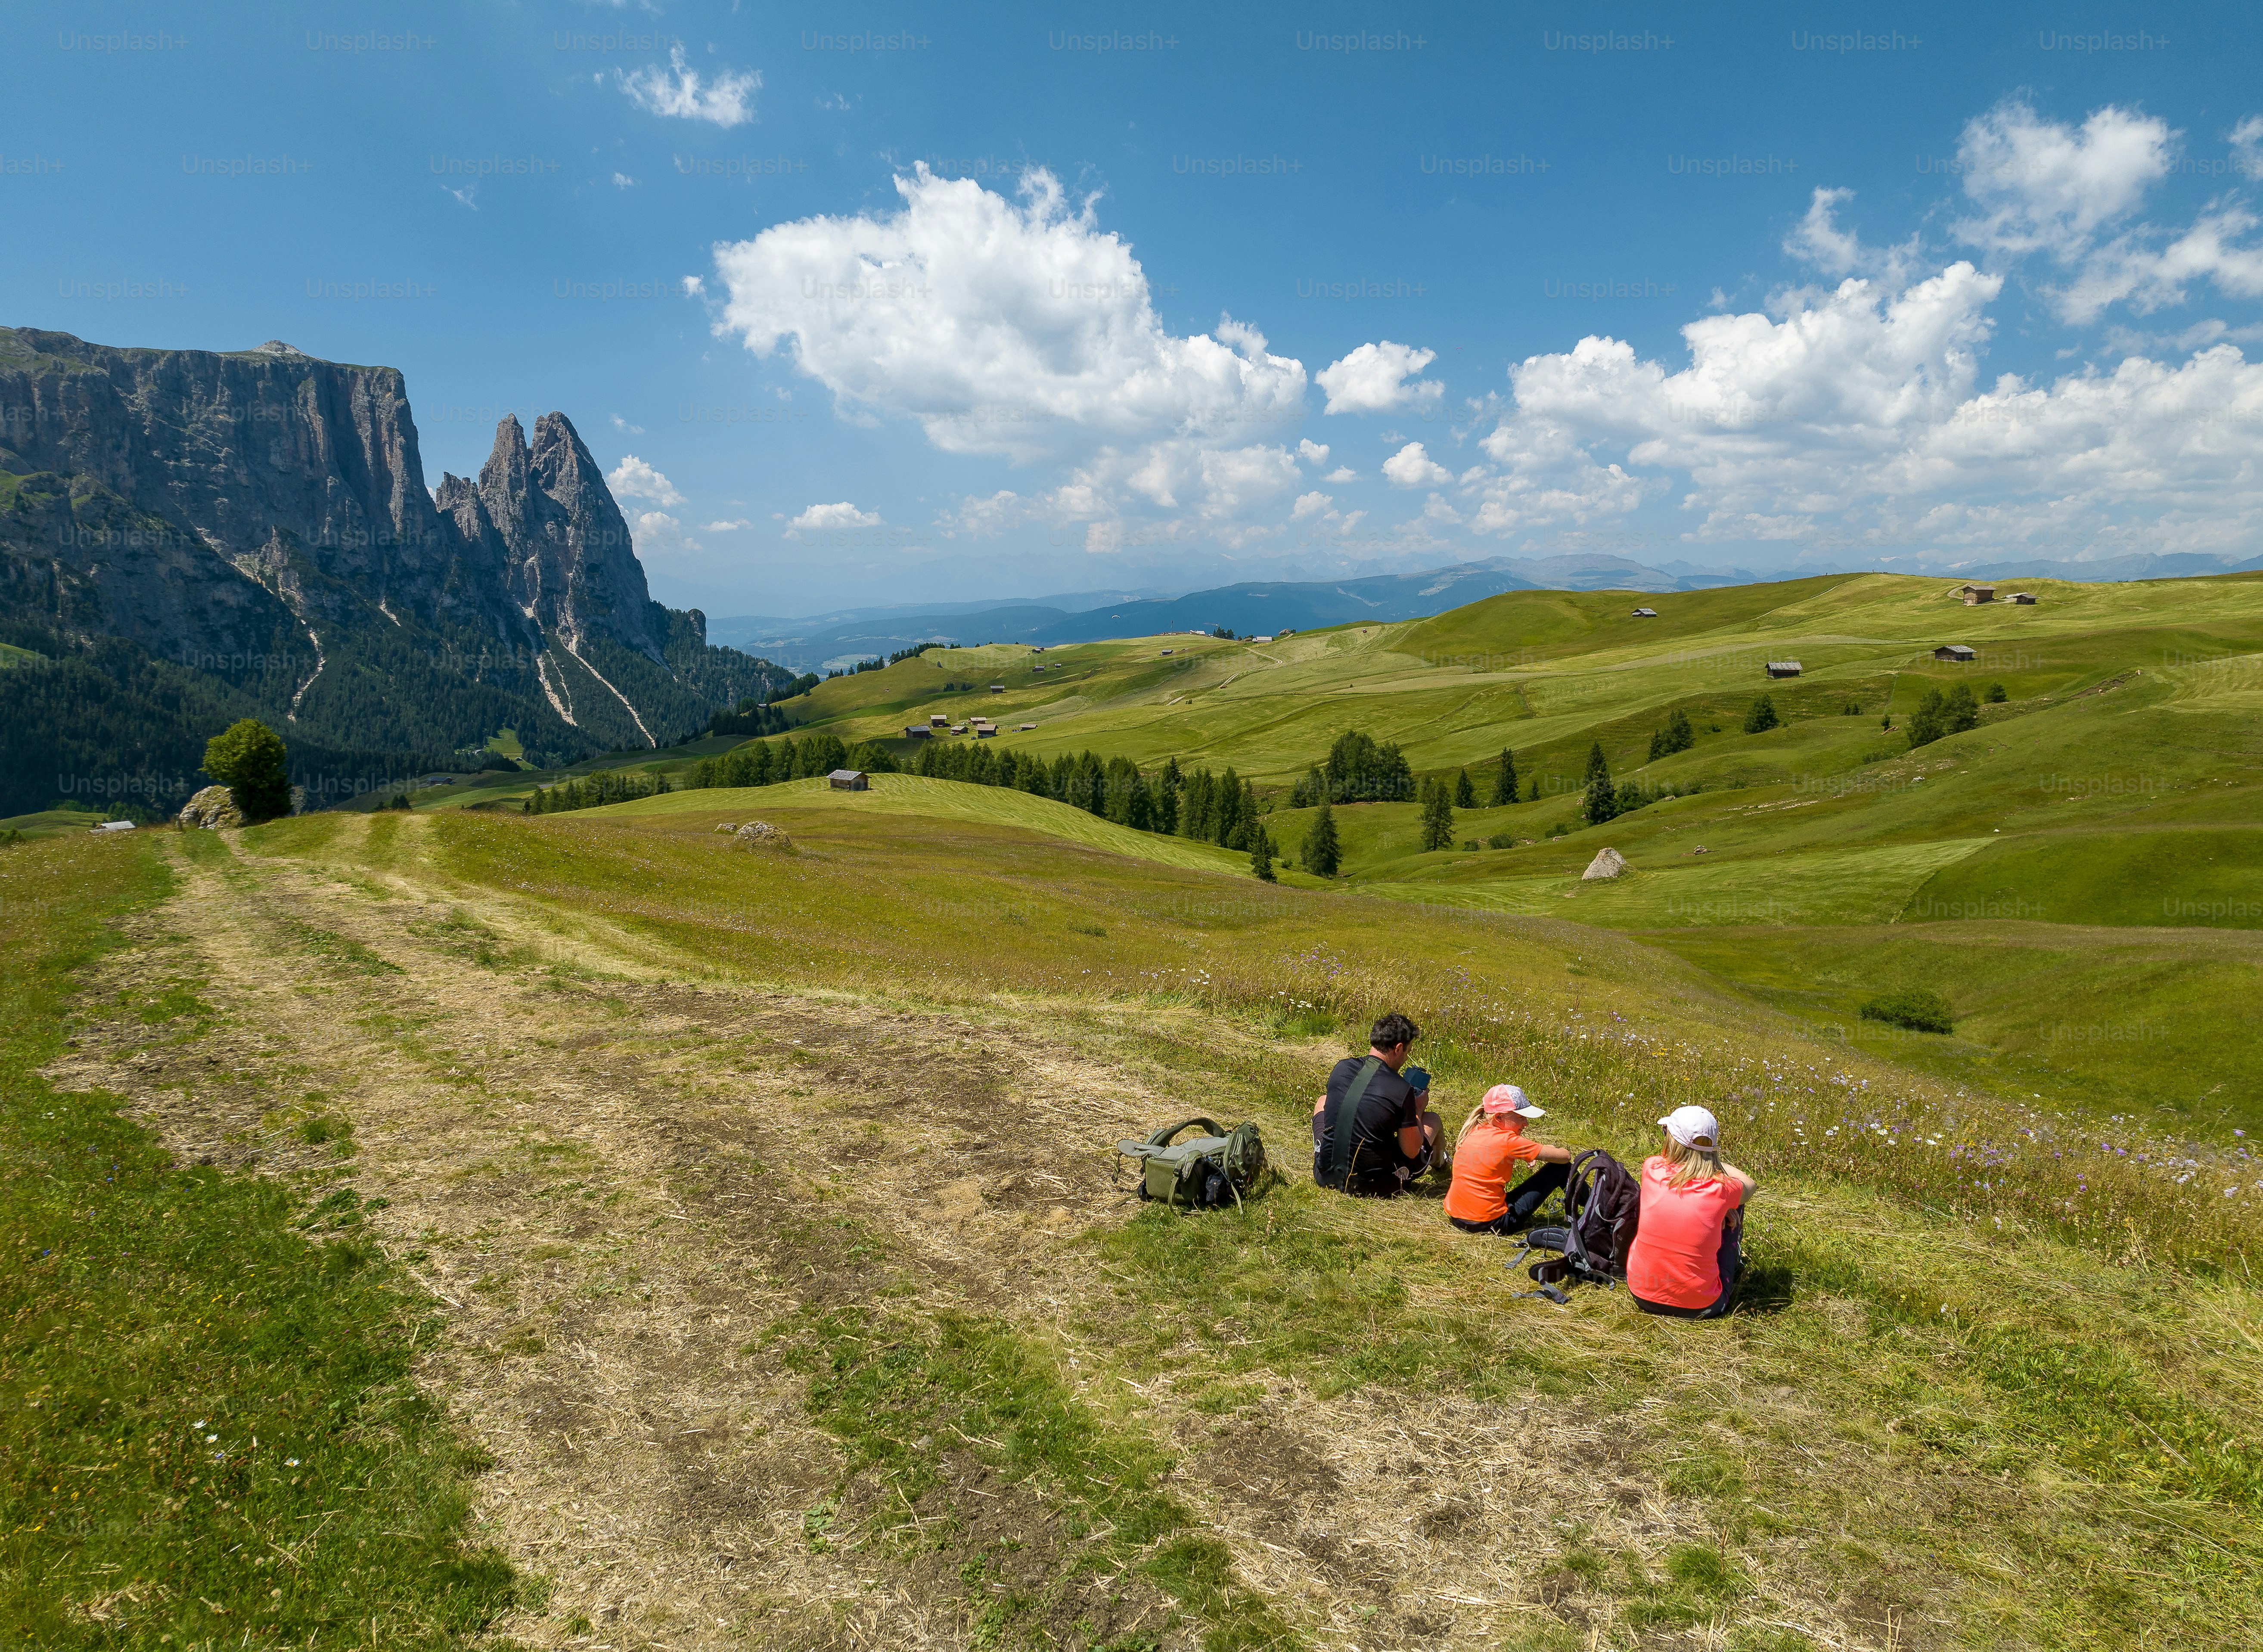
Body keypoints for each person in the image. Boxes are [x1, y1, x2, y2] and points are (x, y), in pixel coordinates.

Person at [1625, 1105, 1755, 1320]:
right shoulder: (1722, 1189)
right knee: (1737, 1202)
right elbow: (1749, 1185)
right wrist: (1713, 1160)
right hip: (1703, 1306)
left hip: (1641, 1293)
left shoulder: (1651, 1168)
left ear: (1673, 1141)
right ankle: (1729, 1265)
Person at [1312, 1012, 1443, 1196]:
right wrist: (1417, 1110)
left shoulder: (1341, 1068)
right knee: (1433, 1120)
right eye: (1408, 1052)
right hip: (1373, 1186)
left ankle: (1326, 1151)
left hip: (1325, 1174)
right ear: (1398, 1049)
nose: (1406, 1058)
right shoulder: (1401, 1089)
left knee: (1322, 1101)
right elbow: (1412, 1151)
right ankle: (1442, 1164)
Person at [1443, 1084, 1573, 1234]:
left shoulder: (1473, 1130)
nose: (1526, 1123)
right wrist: (1549, 1151)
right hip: (1490, 1223)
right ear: (1499, 1117)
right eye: (1520, 1117)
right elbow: (1565, 1156)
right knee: (1562, 1168)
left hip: (1457, 1218)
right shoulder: (1508, 1141)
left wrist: (1539, 1151)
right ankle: (1597, 1211)